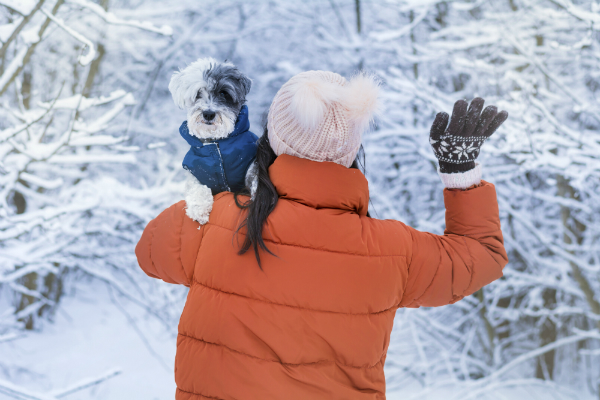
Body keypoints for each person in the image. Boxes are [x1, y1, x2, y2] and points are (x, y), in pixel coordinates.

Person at [135, 70, 509, 400]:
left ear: (272, 139)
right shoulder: (394, 251)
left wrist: (222, 182)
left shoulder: (215, 219)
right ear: (351, 149)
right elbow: (481, 256)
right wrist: (460, 174)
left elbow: (150, 251)